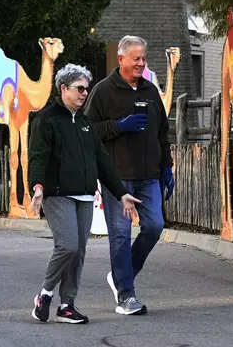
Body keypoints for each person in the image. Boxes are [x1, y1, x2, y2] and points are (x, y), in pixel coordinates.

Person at [29, 63, 142, 324]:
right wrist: (37, 186)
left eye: (86, 89)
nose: (84, 93)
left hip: (85, 196)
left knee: (78, 252)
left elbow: (102, 160)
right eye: (79, 88)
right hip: (57, 194)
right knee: (67, 246)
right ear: (63, 88)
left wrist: (121, 192)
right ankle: (45, 295)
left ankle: (67, 305)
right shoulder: (46, 119)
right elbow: (38, 156)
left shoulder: (85, 123)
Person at [84, 36, 174, 315]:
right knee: (120, 236)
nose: (141, 63)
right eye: (136, 58)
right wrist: (119, 126)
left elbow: (162, 133)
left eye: (144, 58)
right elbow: (87, 130)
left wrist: (166, 167)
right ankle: (126, 296)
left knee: (154, 227)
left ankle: (123, 274)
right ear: (121, 59)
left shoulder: (150, 91)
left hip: (148, 175)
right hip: (117, 177)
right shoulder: (102, 92)